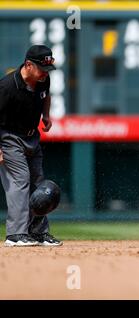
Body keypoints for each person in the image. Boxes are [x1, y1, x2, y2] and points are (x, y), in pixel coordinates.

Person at [0, 45, 62, 247]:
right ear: (28, 65)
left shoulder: (43, 80)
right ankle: (15, 234)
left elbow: (46, 96)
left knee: (39, 184)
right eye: (42, 69)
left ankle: (37, 232)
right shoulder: (7, 87)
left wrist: (46, 115)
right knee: (20, 180)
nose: (45, 74)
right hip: (9, 137)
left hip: (32, 137)